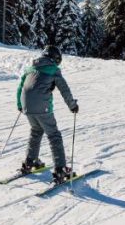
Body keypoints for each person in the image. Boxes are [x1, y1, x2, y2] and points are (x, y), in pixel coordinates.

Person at [16, 44, 78, 183]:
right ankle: (60, 169)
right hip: (42, 108)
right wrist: (72, 105)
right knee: (54, 135)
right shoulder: (54, 70)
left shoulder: (30, 68)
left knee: (36, 130)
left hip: (27, 107)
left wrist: (20, 105)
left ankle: (30, 161)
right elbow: (64, 89)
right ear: (55, 58)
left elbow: (20, 87)